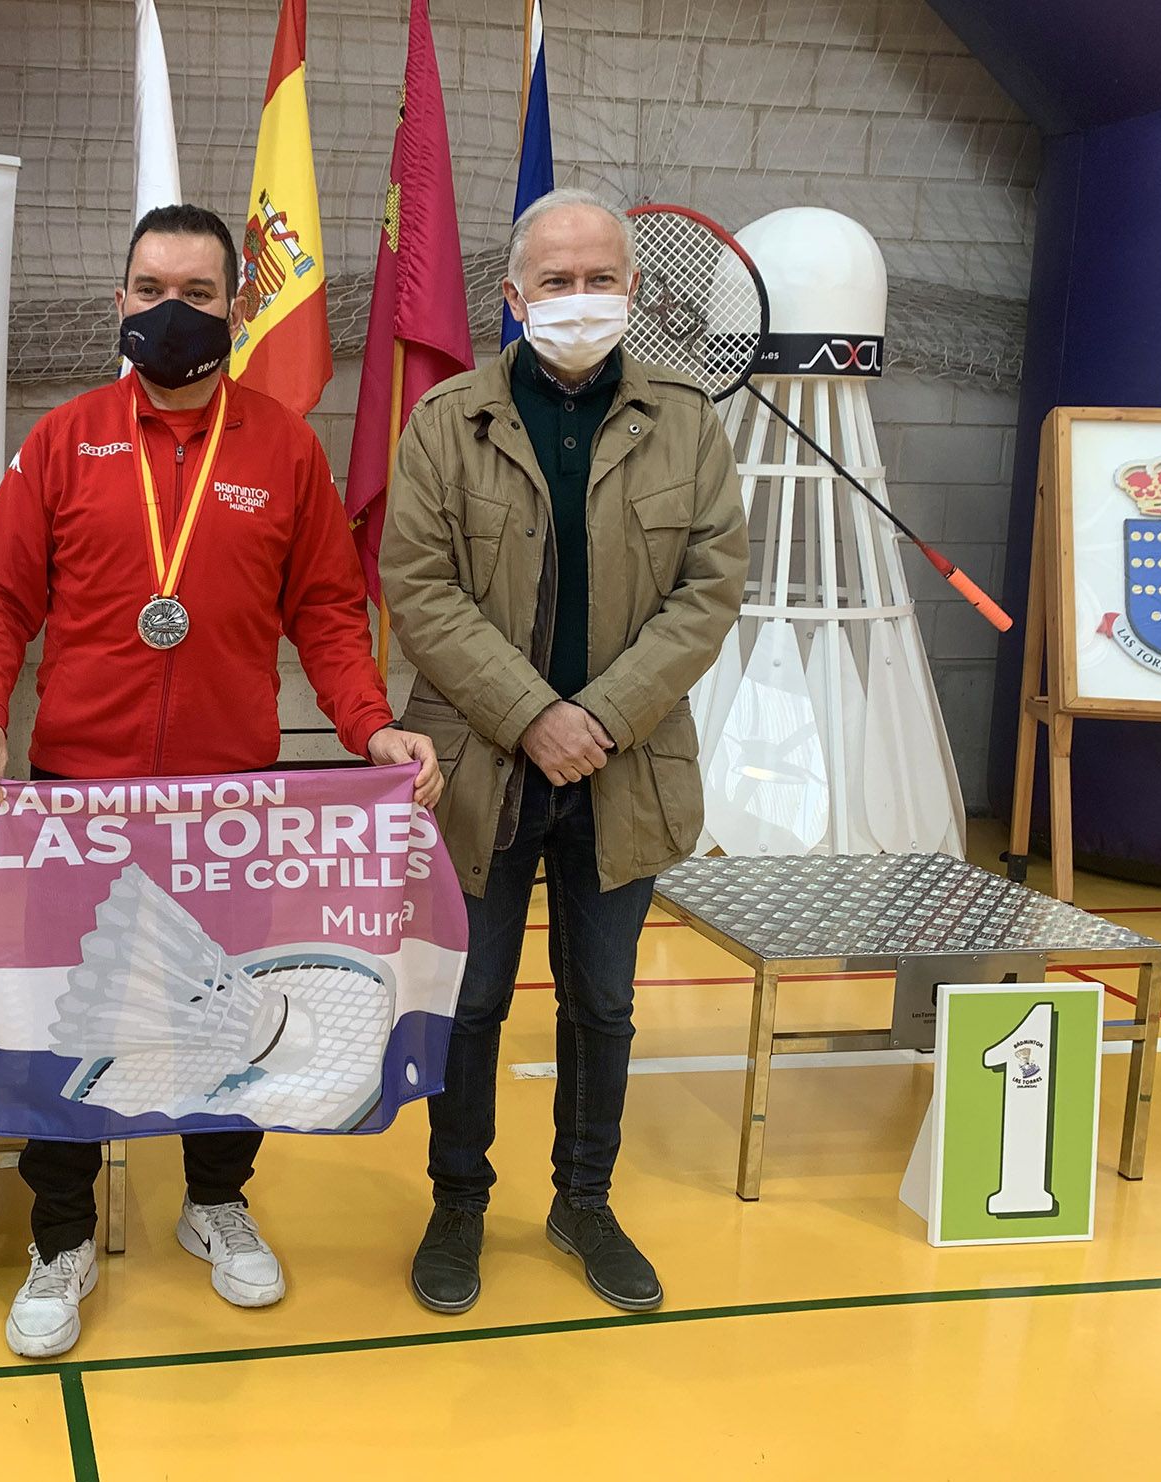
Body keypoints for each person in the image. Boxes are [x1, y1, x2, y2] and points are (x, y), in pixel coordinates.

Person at [0, 203, 444, 1360]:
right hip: (79, 801)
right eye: (150, 288)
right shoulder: (65, 440)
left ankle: (216, 1200)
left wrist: (367, 724)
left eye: (199, 293)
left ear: (233, 308)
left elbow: (322, 608)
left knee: (238, 1015)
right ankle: (61, 1234)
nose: (172, 310)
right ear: (120, 301)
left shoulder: (281, 447)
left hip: (232, 805)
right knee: (65, 1023)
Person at [380, 188, 746, 1318]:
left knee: (601, 1003)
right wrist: (534, 713)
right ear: (512, 294)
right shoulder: (447, 419)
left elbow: (709, 588)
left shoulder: (685, 420)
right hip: (482, 768)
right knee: (473, 999)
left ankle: (583, 1201)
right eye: (555, 281)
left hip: (621, 771)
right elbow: (418, 589)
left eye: (598, 281)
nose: (577, 300)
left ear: (632, 292)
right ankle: (457, 1201)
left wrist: (601, 718)